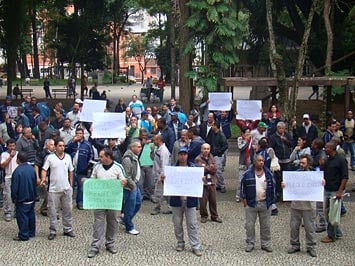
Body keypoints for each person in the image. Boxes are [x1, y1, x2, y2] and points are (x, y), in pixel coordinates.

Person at [86, 148, 128, 258]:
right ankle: (95, 246)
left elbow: (124, 180)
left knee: (112, 222)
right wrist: (87, 183)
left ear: (108, 157)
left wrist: (123, 182)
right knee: (98, 223)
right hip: (99, 200)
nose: (99, 158)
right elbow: (92, 179)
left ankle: (110, 244)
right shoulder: (97, 167)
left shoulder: (118, 167)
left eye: (101, 156)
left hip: (113, 200)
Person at [170, 146, 202, 256]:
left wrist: (201, 179)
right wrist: (164, 179)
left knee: (192, 224)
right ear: (178, 155)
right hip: (176, 200)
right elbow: (168, 184)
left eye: (185, 154)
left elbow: (200, 182)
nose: (183, 156)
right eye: (181, 154)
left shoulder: (193, 168)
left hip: (190, 200)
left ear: (187, 155)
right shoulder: (172, 169)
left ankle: (195, 245)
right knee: (177, 223)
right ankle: (180, 243)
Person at [284, 154, 318, 257]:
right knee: (294, 226)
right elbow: (289, 184)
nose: (301, 164)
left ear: (308, 163)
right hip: (296, 205)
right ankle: (294, 245)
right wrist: (285, 185)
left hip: (309, 206)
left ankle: (311, 246)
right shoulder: (296, 173)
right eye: (300, 162)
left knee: (310, 227)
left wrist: (322, 182)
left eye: (303, 163)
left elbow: (318, 186)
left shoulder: (314, 174)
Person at [41, 139, 75, 240]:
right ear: (55, 147)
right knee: (52, 211)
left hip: (66, 188)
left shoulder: (68, 157)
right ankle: (53, 230)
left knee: (68, 210)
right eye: (60, 146)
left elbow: (71, 171)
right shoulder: (50, 158)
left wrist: (71, 185)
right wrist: (43, 179)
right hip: (53, 189)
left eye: (63, 146)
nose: (62, 147)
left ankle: (67, 229)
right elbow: (44, 169)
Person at [240, 154, 275, 253]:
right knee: (249, 225)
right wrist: (244, 199)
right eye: (259, 160)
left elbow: (273, 187)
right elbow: (243, 187)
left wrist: (272, 201)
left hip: (265, 203)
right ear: (254, 162)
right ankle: (250, 243)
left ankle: (266, 244)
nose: (261, 162)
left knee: (266, 225)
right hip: (251, 203)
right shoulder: (247, 174)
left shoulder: (268, 173)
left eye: (262, 161)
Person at [319, 142, 348, 243]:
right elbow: (324, 172)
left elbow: (345, 177)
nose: (324, 148)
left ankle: (331, 236)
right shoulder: (327, 160)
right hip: (327, 189)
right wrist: (322, 164)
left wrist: (340, 191)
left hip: (335, 190)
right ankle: (337, 231)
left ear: (332, 149)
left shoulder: (341, 160)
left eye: (326, 147)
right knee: (327, 213)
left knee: (332, 213)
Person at [65, 128, 93, 210]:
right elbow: (66, 150)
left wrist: (87, 167)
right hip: (72, 169)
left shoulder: (87, 144)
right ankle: (68, 203)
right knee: (70, 186)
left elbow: (91, 156)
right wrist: (72, 141)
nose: (78, 135)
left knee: (81, 188)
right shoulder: (72, 142)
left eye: (80, 133)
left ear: (83, 134)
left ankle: (80, 202)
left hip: (82, 170)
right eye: (77, 133)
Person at [11, 152, 37, 241]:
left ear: (18, 160)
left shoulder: (17, 171)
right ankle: (31, 232)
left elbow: (14, 187)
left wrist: (14, 198)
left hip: (22, 198)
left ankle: (23, 235)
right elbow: (34, 183)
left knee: (22, 218)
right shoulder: (31, 169)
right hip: (31, 197)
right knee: (31, 215)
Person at [194, 143, 222, 223]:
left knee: (213, 200)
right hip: (203, 182)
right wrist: (209, 167)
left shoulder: (212, 157)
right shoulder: (198, 159)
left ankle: (214, 216)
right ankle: (204, 215)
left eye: (208, 149)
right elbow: (200, 169)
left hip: (212, 181)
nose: (206, 150)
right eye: (204, 149)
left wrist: (206, 168)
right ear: (201, 149)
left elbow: (215, 169)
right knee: (203, 201)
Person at [122, 140, 143, 235]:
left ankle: (125, 219)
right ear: (132, 147)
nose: (140, 148)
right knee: (130, 206)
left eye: (140, 146)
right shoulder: (127, 159)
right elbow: (127, 175)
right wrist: (132, 185)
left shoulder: (134, 156)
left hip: (135, 184)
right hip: (130, 186)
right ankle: (129, 226)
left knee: (138, 203)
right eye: (138, 147)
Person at [150, 134, 171, 215]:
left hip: (161, 176)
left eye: (154, 140)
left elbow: (164, 164)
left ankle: (157, 208)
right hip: (157, 174)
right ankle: (170, 207)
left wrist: (161, 176)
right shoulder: (158, 150)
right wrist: (152, 151)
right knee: (164, 192)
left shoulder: (164, 151)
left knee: (158, 192)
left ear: (159, 140)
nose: (153, 141)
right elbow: (153, 159)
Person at [34, 138, 55, 217]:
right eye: (51, 144)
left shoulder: (56, 153)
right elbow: (36, 165)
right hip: (45, 176)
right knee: (48, 194)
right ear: (47, 145)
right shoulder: (42, 153)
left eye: (53, 144)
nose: (53, 146)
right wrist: (38, 178)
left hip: (54, 176)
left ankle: (47, 208)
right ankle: (45, 209)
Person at [1, 139, 18, 222]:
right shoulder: (4, 154)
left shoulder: (18, 154)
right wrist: (10, 157)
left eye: (13, 146)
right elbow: (3, 165)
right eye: (10, 146)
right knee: (7, 195)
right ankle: (8, 212)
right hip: (8, 177)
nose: (12, 148)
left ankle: (16, 211)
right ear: (7, 146)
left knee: (18, 194)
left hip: (17, 177)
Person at [210, 121, 228, 193]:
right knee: (215, 171)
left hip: (218, 156)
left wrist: (218, 152)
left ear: (216, 126)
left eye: (213, 125)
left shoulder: (221, 135)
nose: (211, 126)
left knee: (218, 171)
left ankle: (222, 185)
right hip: (214, 154)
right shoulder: (213, 134)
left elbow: (225, 146)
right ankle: (218, 184)